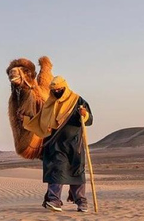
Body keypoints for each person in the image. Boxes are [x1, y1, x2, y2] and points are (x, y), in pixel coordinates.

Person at [23, 76, 93, 212]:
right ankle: (54, 200)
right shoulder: (49, 103)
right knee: (56, 171)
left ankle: (81, 202)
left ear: (65, 88)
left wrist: (84, 115)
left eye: (59, 89)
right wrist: (26, 119)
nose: (57, 92)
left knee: (76, 172)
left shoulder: (77, 100)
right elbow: (41, 121)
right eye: (54, 90)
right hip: (55, 144)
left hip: (74, 145)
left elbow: (90, 120)